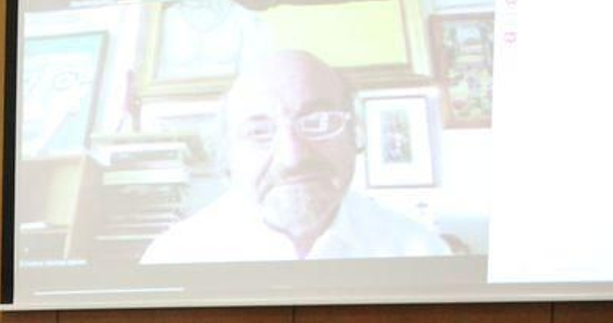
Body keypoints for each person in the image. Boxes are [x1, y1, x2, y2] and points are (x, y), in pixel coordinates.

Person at [141, 49, 451, 263]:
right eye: (258, 131)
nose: (293, 156)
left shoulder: (420, 253)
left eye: (318, 122)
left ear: (354, 133)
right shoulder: (173, 258)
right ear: (227, 159)